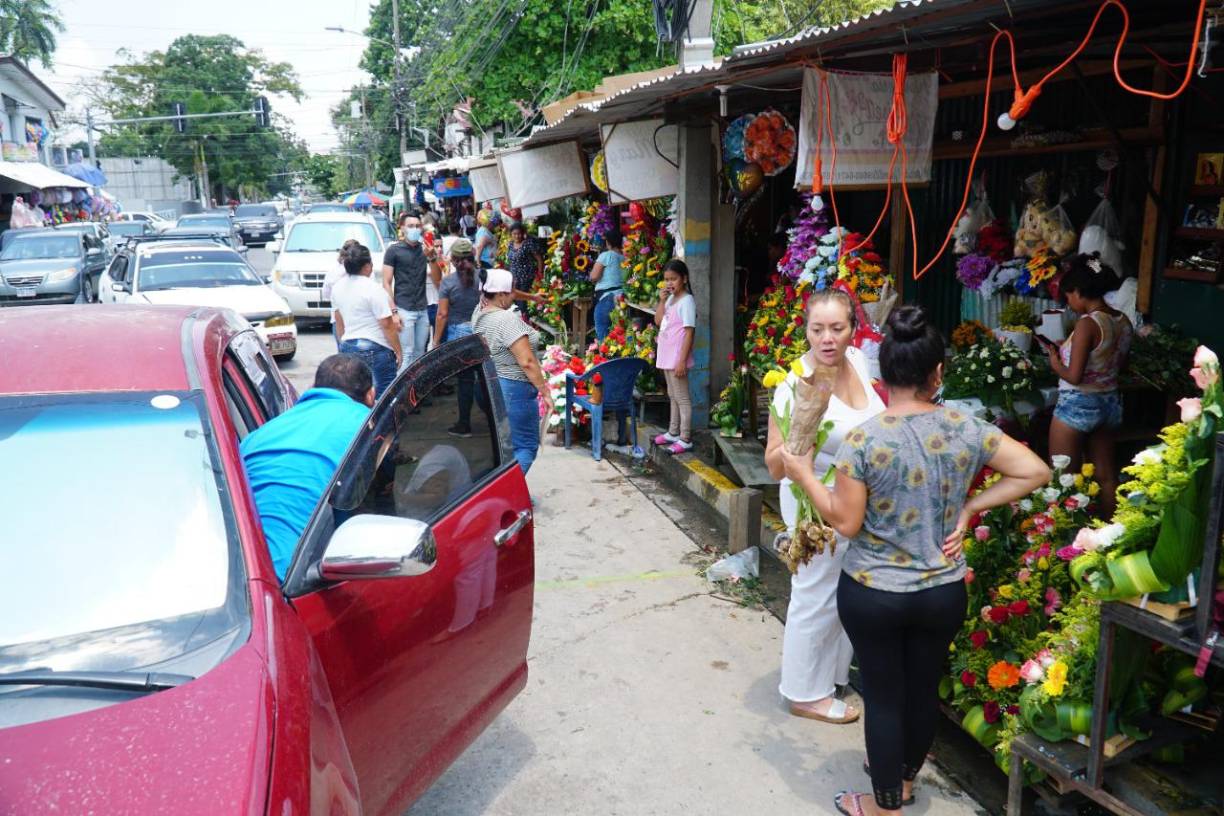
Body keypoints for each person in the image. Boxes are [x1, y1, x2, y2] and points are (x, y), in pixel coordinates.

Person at [780, 306, 1050, 816]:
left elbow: (846, 522)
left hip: (875, 593)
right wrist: (971, 505)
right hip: (942, 590)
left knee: (883, 698)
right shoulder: (967, 427)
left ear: (884, 375)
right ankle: (901, 784)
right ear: (938, 372)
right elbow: (1034, 471)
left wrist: (803, 473)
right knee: (921, 691)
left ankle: (883, 807)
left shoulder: (864, 439)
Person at [765, 288, 885, 725]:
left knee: (844, 592)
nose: (827, 338)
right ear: (806, 329)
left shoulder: (858, 362)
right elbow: (776, 464)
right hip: (814, 503)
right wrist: (803, 433)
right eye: (818, 329)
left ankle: (830, 675)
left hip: (853, 500)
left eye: (837, 328)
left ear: (853, 329)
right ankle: (803, 691)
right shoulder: (794, 383)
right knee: (815, 593)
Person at [240, 354, 375, 580]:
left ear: (313, 387)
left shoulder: (257, 436)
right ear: (370, 395)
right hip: (298, 577)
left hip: (242, 570)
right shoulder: (367, 426)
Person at [1044, 252, 1133, 518]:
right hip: (1109, 404)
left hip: (1077, 405)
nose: (1069, 303)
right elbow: (1119, 365)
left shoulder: (1087, 324)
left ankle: (1065, 542)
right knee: (1106, 476)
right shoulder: (1123, 321)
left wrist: (1055, 361)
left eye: (1069, 295)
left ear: (1080, 292)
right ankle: (1107, 534)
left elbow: (1073, 376)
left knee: (1063, 478)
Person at [473, 268, 552, 473]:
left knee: (506, 447)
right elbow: (527, 361)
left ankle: (510, 496)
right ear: (500, 295)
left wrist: (534, 297)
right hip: (513, 389)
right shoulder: (506, 320)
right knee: (525, 447)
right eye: (511, 291)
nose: (514, 294)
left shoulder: (479, 313)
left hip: (491, 385)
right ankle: (505, 499)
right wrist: (545, 391)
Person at [333, 243, 402, 397]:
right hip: (375, 348)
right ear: (366, 266)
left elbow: (339, 323)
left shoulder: (337, 288)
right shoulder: (373, 288)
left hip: (348, 346)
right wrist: (398, 351)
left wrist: (342, 347)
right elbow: (387, 324)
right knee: (383, 400)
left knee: (356, 397)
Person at [434, 239, 483, 438]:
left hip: (459, 335)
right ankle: (494, 420)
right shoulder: (484, 276)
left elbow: (442, 314)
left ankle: (464, 424)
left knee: (465, 380)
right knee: (487, 378)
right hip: (482, 331)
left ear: (453, 261)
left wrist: (436, 341)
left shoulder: (448, 282)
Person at [383, 213, 443, 372]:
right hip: (404, 309)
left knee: (420, 354)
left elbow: (438, 279)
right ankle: (401, 395)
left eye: (417, 226)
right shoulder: (393, 250)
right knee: (406, 354)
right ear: (402, 228)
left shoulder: (425, 249)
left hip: (422, 308)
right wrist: (393, 311)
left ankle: (415, 394)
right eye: (411, 226)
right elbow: (386, 283)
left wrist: (431, 258)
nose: (415, 229)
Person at [653, 259, 697, 454]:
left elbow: (689, 332)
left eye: (674, 279)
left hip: (677, 357)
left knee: (682, 397)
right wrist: (662, 300)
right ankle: (673, 432)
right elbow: (658, 320)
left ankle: (685, 437)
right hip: (666, 354)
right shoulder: (670, 300)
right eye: (667, 280)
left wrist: (681, 360)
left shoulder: (687, 301)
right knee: (672, 395)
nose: (670, 283)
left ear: (684, 279)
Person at [323, 239, 362, 350]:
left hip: (338, 318)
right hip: (359, 319)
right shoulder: (364, 270)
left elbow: (326, 294)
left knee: (343, 355)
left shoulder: (332, 272)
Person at [591, 231, 625, 342]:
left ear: (608, 242)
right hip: (622, 299)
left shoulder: (606, 255)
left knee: (604, 337)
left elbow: (594, 276)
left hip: (608, 298)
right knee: (620, 336)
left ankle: (605, 359)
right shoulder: (625, 259)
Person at [506, 222, 545, 312]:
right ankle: (518, 321)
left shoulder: (528, 244)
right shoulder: (511, 245)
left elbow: (539, 258)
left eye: (519, 233)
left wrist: (540, 273)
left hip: (526, 278)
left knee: (523, 303)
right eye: (514, 234)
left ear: (522, 233)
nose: (517, 236)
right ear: (511, 234)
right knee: (515, 301)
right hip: (514, 279)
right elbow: (510, 261)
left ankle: (524, 321)